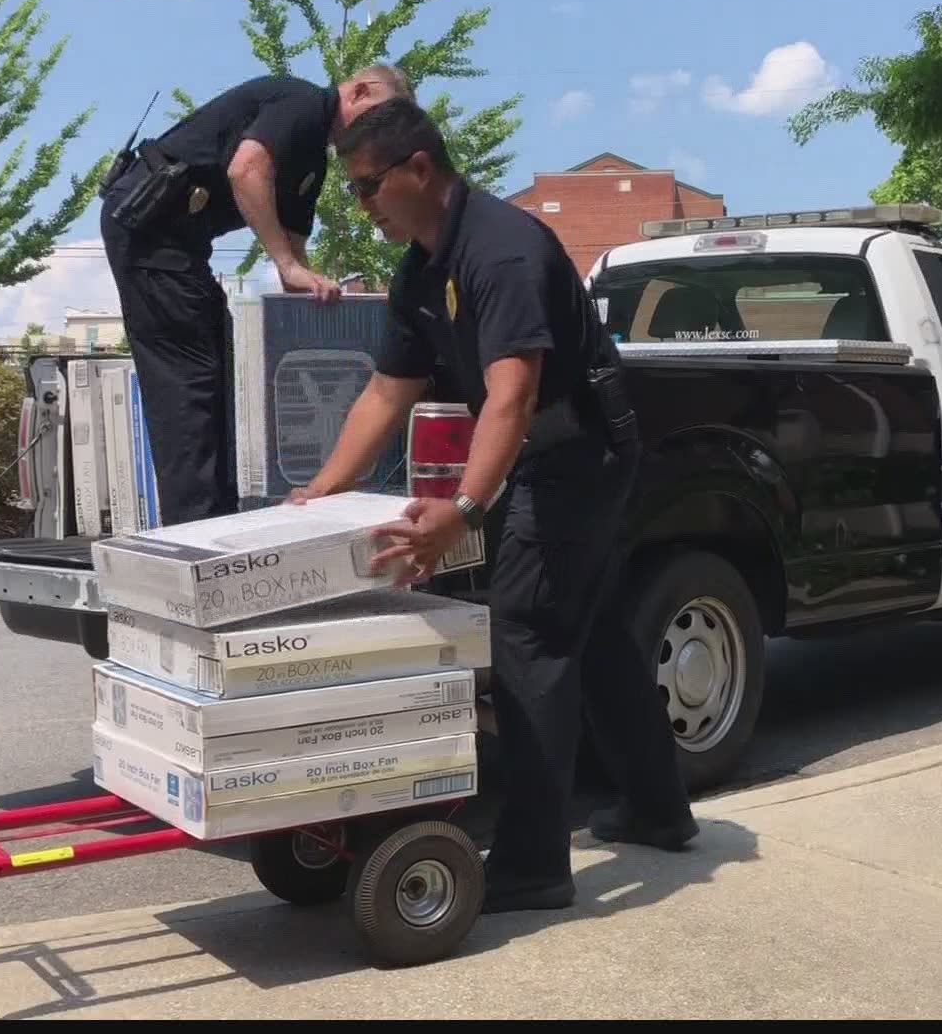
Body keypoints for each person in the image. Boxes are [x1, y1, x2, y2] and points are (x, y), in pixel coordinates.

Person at [285, 97, 698, 913]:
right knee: (593, 627)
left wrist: (464, 512)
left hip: (579, 452)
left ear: (419, 170)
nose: (360, 207)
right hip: (541, 452)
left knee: (527, 634)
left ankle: (534, 865)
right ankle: (658, 808)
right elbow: (386, 390)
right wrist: (322, 487)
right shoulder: (420, 269)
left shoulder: (500, 252)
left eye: (368, 188)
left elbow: (512, 395)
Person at [99, 66, 410, 525]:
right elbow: (247, 169)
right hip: (148, 229)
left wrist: (309, 281)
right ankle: (194, 530)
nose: (378, 135)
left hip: (179, 247)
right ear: (360, 90)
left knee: (213, 368)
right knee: (189, 385)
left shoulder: (311, 161)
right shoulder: (301, 101)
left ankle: (214, 518)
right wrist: (285, 263)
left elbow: (295, 258)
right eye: (380, 118)